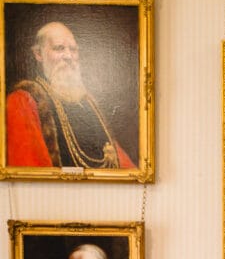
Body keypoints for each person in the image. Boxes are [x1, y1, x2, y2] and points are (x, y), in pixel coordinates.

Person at [6, 21, 136, 170]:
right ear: (38, 54)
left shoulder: (88, 103)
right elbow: (30, 171)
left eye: (73, 50)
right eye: (59, 48)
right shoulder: (23, 100)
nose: (68, 56)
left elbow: (122, 163)